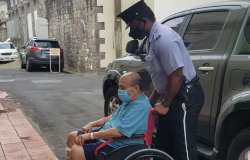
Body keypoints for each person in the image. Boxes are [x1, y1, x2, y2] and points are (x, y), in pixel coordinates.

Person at [118, 1, 205, 160]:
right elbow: (162, 78)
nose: (131, 30)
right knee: (163, 143)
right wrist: (149, 103)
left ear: (143, 20)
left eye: (132, 25)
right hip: (172, 94)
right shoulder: (151, 40)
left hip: (185, 96)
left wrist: (165, 104)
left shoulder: (163, 38)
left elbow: (176, 75)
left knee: (182, 147)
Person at [66, 72, 151, 160]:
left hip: (120, 143)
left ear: (136, 88)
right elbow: (111, 117)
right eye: (119, 87)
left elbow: (119, 132)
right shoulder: (129, 101)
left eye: (122, 88)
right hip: (108, 137)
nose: (119, 91)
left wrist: (90, 135)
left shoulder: (140, 106)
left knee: (76, 151)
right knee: (72, 136)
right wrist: (91, 124)